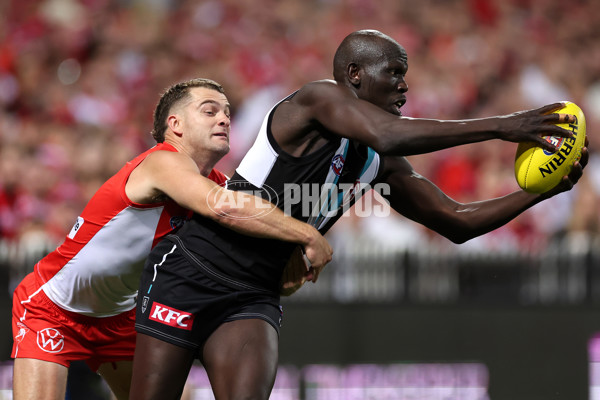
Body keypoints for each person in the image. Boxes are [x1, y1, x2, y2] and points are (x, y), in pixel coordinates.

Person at [129, 30, 588, 400]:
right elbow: (389, 134)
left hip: (254, 296)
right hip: (192, 273)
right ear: (354, 74)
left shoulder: (377, 162)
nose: (405, 85)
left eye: (405, 75)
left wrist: (543, 193)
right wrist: (504, 126)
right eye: (394, 73)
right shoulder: (314, 100)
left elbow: (457, 221)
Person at [11, 78, 332, 400]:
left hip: (120, 317)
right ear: (175, 124)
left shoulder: (217, 184)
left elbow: (252, 239)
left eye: (227, 113)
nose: (224, 119)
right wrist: (307, 234)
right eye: (209, 111)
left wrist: (290, 265)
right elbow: (225, 208)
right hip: (52, 311)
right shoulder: (162, 162)